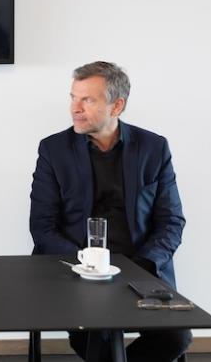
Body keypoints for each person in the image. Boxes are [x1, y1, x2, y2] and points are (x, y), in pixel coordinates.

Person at [29, 61, 190, 362]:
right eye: (73, 97)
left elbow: (171, 222)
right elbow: (42, 227)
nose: (75, 108)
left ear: (117, 105)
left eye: (87, 100)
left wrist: (142, 264)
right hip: (77, 271)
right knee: (97, 340)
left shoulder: (153, 147)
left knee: (177, 337)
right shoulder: (53, 149)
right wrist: (88, 264)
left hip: (140, 268)